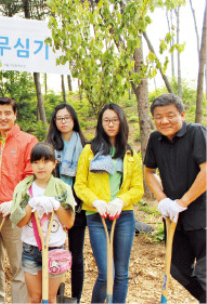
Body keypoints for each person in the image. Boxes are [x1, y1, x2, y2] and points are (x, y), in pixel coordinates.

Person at [74, 103, 144, 303]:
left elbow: (138, 188)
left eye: (115, 120)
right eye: (107, 120)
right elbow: (80, 185)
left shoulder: (130, 153)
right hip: (96, 216)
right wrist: (95, 201)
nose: (111, 124)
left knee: (121, 273)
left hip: (124, 217)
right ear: (100, 123)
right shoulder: (89, 150)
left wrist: (121, 201)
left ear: (121, 122)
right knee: (106, 273)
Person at [143, 93, 206, 302]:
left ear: (182, 114)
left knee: (205, 273)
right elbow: (149, 171)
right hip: (174, 218)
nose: (164, 121)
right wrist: (162, 200)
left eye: (170, 115)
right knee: (177, 268)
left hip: (202, 216)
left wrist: (184, 202)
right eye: (158, 116)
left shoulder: (197, 133)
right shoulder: (155, 139)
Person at [0, 97, 37, 303]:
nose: (3, 117)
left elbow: (31, 177)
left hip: (16, 213)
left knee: (18, 263)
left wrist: (15, 203)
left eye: (7, 113)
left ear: (15, 115)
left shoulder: (28, 141)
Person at [10, 143, 76, 303]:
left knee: (51, 297)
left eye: (46, 161)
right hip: (30, 249)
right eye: (36, 161)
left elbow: (69, 222)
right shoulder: (23, 188)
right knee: (34, 298)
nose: (41, 166)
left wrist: (56, 205)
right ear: (31, 164)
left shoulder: (63, 189)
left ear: (54, 164)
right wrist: (30, 205)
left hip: (55, 249)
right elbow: (19, 222)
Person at [45, 104, 86, 302]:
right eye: (59, 118)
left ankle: (75, 298)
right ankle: (55, 295)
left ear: (74, 120)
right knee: (54, 255)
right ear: (54, 122)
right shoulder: (49, 146)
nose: (63, 121)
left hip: (77, 206)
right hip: (53, 207)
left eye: (67, 117)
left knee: (76, 255)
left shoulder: (85, 147)